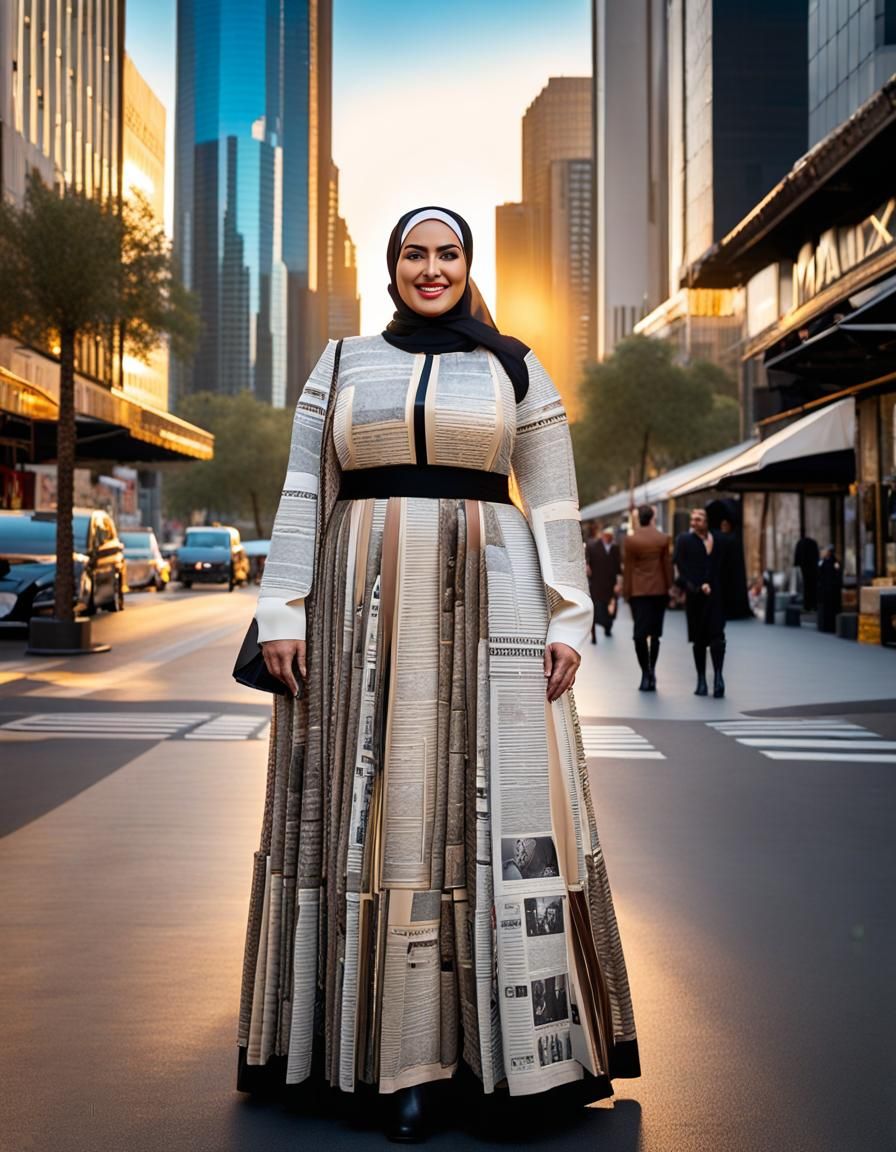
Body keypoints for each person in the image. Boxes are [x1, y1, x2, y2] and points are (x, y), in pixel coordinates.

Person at [239, 206, 639, 1142]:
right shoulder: (340, 363)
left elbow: (553, 496)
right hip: (354, 613)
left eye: (447, 253)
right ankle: (394, 1065)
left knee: (495, 814)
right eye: (415, 254)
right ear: (393, 267)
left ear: (468, 265)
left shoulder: (513, 366)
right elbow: (307, 488)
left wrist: (569, 617)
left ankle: (512, 1063)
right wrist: (279, 613)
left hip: (493, 606)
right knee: (382, 815)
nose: (431, 268)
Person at [674, 508, 728, 697]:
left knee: (718, 637)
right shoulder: (684, 540)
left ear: (706, 521)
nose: (694, 521)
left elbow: (725, 567)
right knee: (698, 640)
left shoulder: (719, 540)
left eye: (699, 518)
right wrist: (695, 586)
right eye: (693, 519)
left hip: (716, 596)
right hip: (695, 597)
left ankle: (719, 678)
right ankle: (701, 680)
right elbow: (680, 567)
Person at [622, 505, 673, 691]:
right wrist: (670, 588)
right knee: (656, 634)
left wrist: (626, 593)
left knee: (639, 635)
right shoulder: (662, 539)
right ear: (652, 518)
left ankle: (645, 673)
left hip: (639, 592)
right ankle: (653, 670)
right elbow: (667, 566)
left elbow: (627, 568)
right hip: (659, 591)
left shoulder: (631, 540)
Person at [585, 524, 622, 642]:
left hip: (611, 584)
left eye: (610, 536)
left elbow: (618, 567)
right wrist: (587, 567)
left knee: (611, 609)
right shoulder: (593, 547)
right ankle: (594, 635)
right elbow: (587, 561)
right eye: (606, 535)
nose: (608, 537)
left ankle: (608, 627)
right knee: (596, 609)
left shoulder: (615, 548)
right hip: (597, 583)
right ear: (602, 535)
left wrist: (619, 583)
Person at [816, 544, 842, 632]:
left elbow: (819, 573)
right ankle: (831, 626)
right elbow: (838, 574)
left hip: (827, 590)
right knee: (832, 609)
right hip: (832, 590)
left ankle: (826, 626)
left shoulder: (825, 562)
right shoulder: (835, 562)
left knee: (827, 609)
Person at [794, 534, 820, 612]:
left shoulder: (800, 543)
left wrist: (796, 565)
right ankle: (813, 605)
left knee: (806, 588)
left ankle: (807, 606)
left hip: (804, 568)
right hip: (813, 568)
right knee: (813, 587)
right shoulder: (813, 543)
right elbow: (817, 555)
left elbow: (796, 556)